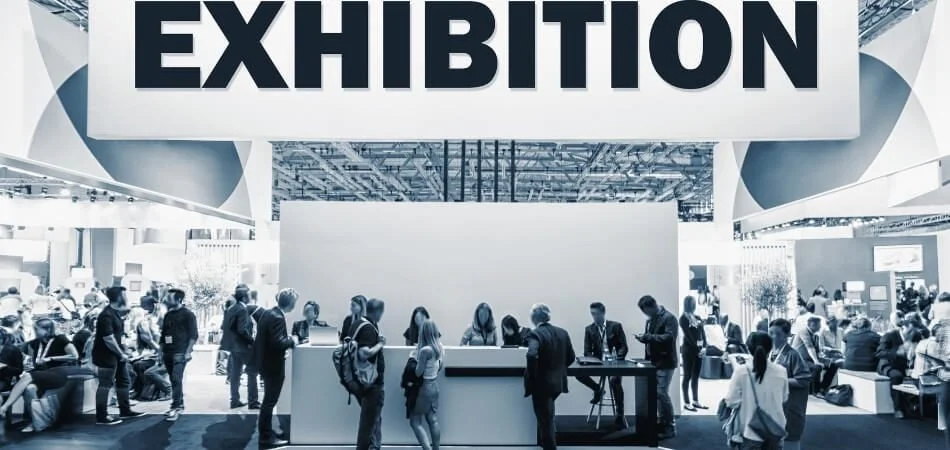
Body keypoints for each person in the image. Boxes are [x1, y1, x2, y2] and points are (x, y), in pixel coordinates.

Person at [724, 332, 788, 450]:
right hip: (775, 430)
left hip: (750, 432)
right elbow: (784, 398)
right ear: (770, 348)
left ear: (748, 349)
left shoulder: (741, 371)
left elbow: (731, 401)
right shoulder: (782, 371)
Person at [523, 303, 575, 450]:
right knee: (548, 418)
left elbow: (531, 354)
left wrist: (532, 375)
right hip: (558, 383)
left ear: (533, 319)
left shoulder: (535, 334)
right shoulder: (563, 333)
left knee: (545, 422)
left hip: (541, 384)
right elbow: (571, 357)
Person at [251, 288, 298, 447]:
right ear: (291, 303)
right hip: (273, 366)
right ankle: (266, 437)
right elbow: (278, 343)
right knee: (269, 402)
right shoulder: (277, 317)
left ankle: (266, 433)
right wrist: (292, 341)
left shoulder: (269, 313)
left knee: (268, 401)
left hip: (266, 364)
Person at [92, 286, 143, 426]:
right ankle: (101, 416)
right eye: (124, 295)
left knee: (123, 381)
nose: (126, 297)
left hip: (116, 355)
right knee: (105, 384)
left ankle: (125, 410)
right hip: (105, 355)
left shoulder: (115, 314)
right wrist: (121, 353)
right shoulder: (106, 315)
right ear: (119, 297)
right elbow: (108, 338)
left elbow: (118, 336)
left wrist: (124, 350)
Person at [574, 302, 629, 426]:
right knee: (578, 373)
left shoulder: (616, 326)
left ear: (603, 313)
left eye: (596, 314)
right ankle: (598, 389)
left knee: (615, 380)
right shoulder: (589, 329)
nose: (594, 316)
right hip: (598, 363)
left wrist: (618, 358)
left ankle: (619, 413)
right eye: (592, 314)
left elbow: (624, 347)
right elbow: (587, 350)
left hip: (615, 363)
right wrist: (591, 360)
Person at [634, 295, 678, 440]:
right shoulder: (651, 319)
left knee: (661, 393)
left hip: (665, 362)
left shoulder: (669, 318)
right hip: (653, 362)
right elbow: (653, 338)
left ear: (652, 306)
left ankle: (670, 426)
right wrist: (644, 338)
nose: (645, 314)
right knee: (657, 395)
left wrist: (648, 337)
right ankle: (662, 422)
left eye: (645, 311)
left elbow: (669, 338)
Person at [767, 319, 811, 450]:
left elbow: (803, 380)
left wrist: (779, 380)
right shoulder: (769, 353)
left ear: (787, 335)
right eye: (771, 333)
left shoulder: (793, 355)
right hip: (774, 407)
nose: (773, 337)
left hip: (790, 408)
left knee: (790, 441)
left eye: (777, 334)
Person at [159, 288, 198, 422]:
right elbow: (163, 334)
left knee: (176, 379)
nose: (166, 300)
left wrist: (188, 352)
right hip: (168, 352)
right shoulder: (168, 315)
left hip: (180, 352)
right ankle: (179, 404)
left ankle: (175, 406)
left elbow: (193, 335)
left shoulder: (188, 314)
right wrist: (160, 352)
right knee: (173, 379)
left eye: (169, 298)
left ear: (179, 299)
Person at [355, 298, 387, 450]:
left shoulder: (358, 323)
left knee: (371, 420)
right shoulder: (368, 328)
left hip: (361, 380)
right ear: (378, 311)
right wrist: (380, 344)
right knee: (369, 423)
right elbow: (364, 353)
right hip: (371, 382)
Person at [220, 286, 259, 409]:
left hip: (233, 347)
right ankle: (253, 401)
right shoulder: (242, 309)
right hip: (243, 347)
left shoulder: (230, 309)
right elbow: (242, 330)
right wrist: (252, 341)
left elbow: (224, 327)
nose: (250, 297)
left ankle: (234, 400)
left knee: (235, 374)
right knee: (252, 372)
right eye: (249, 295)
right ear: (244, 297)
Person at [409, 319, 443, 450]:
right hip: (434, 385)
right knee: (432, 419)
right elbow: (440, 367)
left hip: (424, 388)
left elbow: (418, 373)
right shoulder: (439, 347)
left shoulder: (425, 351)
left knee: (415, 421)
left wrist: (412, 358)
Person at [792, 316, 839, 396]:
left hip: (810, 359)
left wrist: (829, 354)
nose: (820, 327)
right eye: (818, 325)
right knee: (817, 367)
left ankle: (823, 388)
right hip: (800, 359)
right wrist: (816, 361)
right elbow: (810, 347)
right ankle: (815, 391)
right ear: (811, 325)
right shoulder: (803, 332)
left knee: (833, 365)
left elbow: (818, 350)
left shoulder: (815, 335)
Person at [877, 312, 911, 419]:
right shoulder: (889, 336)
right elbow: (880, 353)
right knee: (896, 376)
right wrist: (896, 353)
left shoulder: (913, 336)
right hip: (889, 365)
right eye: (909, 330)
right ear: (903, 328)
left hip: (906, 366)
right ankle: (898, 409)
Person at [679, 296, 708, 412]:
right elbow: (688, 336)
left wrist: (704, 347)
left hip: (699, 351)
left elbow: (703, 333)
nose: (693, 304)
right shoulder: (683, 318)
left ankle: (696, 400)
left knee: (696, 376)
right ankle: (687, 402)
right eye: (692, 303)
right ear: (687, 304)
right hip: (688, 350)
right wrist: (697, 348)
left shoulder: (698, 317)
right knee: (687, 376)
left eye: (694, 302)